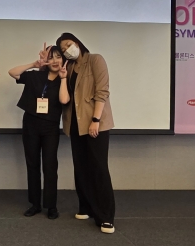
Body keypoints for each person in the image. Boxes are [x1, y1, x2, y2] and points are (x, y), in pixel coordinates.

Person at [56, 32, 116, 234]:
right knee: (81, 167)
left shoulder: (95, 60)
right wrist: (62, 77)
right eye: (63, 49)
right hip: (75, 124)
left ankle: (106, 216)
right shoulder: (68, 67)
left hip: (95, 123)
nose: (67, 50)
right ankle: (86, 206)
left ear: (77, 42)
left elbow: (102, 91)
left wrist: (96, 120)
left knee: (98, 168)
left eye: (69, 44)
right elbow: (65, 99)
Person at [8, 45, 70, 220]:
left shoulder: (65, 78)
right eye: (51, 57)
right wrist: (34, 64)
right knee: (32, 164)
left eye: (58, 57)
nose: (55, 61)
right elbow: (12, 72)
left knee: (50, 166)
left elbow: (64, 99)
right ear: (46, 60)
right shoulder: (36, 75)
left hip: (50, 127)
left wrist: (63, 78)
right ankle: (35, 204)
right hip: (31, 124)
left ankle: (51, 205)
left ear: (63, 60)